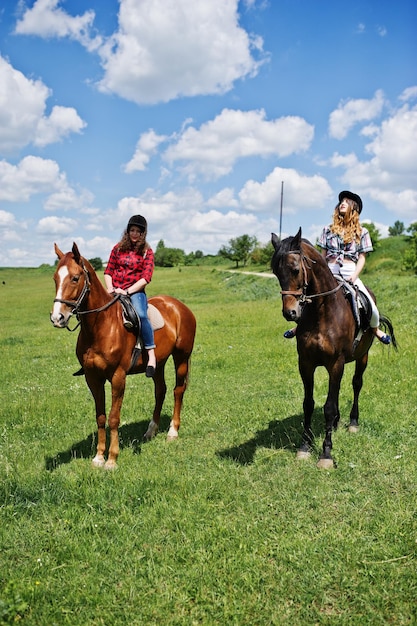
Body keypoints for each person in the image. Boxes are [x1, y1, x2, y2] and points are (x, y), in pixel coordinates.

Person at [284, 191, 391, 344]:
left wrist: (354, 276)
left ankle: (375, 330)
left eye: (347, 201)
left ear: (354, 208)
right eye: (341, 201)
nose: (342, 203)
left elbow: (362, 258)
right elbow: (322, 256)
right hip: (330, 269)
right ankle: (299, 327)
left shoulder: (362, 232)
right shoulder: (328, 230)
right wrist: (322, 274)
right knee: (308, 299)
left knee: (370, 305)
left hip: (350, 270)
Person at [104, 215, 157, 377]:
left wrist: (126, 291)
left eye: (138, 231)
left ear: (143, 234)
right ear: (127, 231)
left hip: (134, 292)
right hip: (115, 289)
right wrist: (110, 288)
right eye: (132, 230)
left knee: (141, 314)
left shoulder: (146, 252)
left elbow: (145, 278)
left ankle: (151, 354)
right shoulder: (118, 248)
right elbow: (109, 271)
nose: (134, 234)